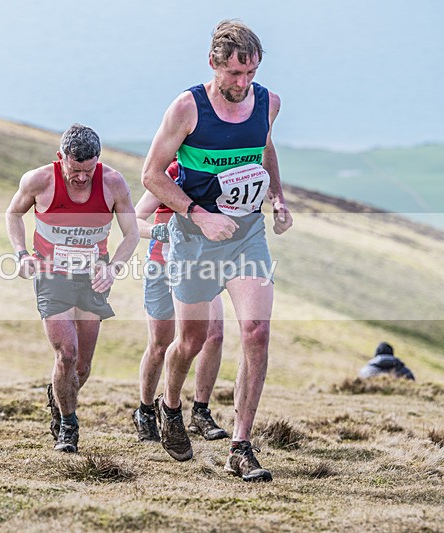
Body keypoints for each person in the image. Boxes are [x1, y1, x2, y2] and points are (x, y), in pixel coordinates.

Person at [141, 20, 293, 481]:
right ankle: (170, 408)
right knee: (190, 341)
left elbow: (263, 149)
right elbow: (151, 175)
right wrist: (197, 213)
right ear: (213, 63)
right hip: (195, 237)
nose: (243, 84)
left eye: (251, 74)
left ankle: (241, 445)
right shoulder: (187, 108)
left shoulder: (268, 102)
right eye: (235, 74)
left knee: (256, 333)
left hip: (247, 235)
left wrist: (278, 197)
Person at [6, 124, 138, 453]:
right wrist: (21, 253)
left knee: (82, 367)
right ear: (60, 157)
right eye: (75, 170)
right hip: (52, 274)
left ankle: (59, 396)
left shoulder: (112, 183)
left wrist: (113, 268)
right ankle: (68, 426)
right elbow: (13, 214)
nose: (81, 178)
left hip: (92, 277)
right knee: (67, 353)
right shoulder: (38, 181)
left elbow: (132, 234)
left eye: (88, 170)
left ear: (98, 161)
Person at [133, 160, 229, 442]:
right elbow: (134, 221)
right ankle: (146, 410)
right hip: (162, 266)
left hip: (201, 268)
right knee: (160, 344)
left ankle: (200, 412)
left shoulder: (218, 172)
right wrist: (161, 232)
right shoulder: (170, 174)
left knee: (214, 335)